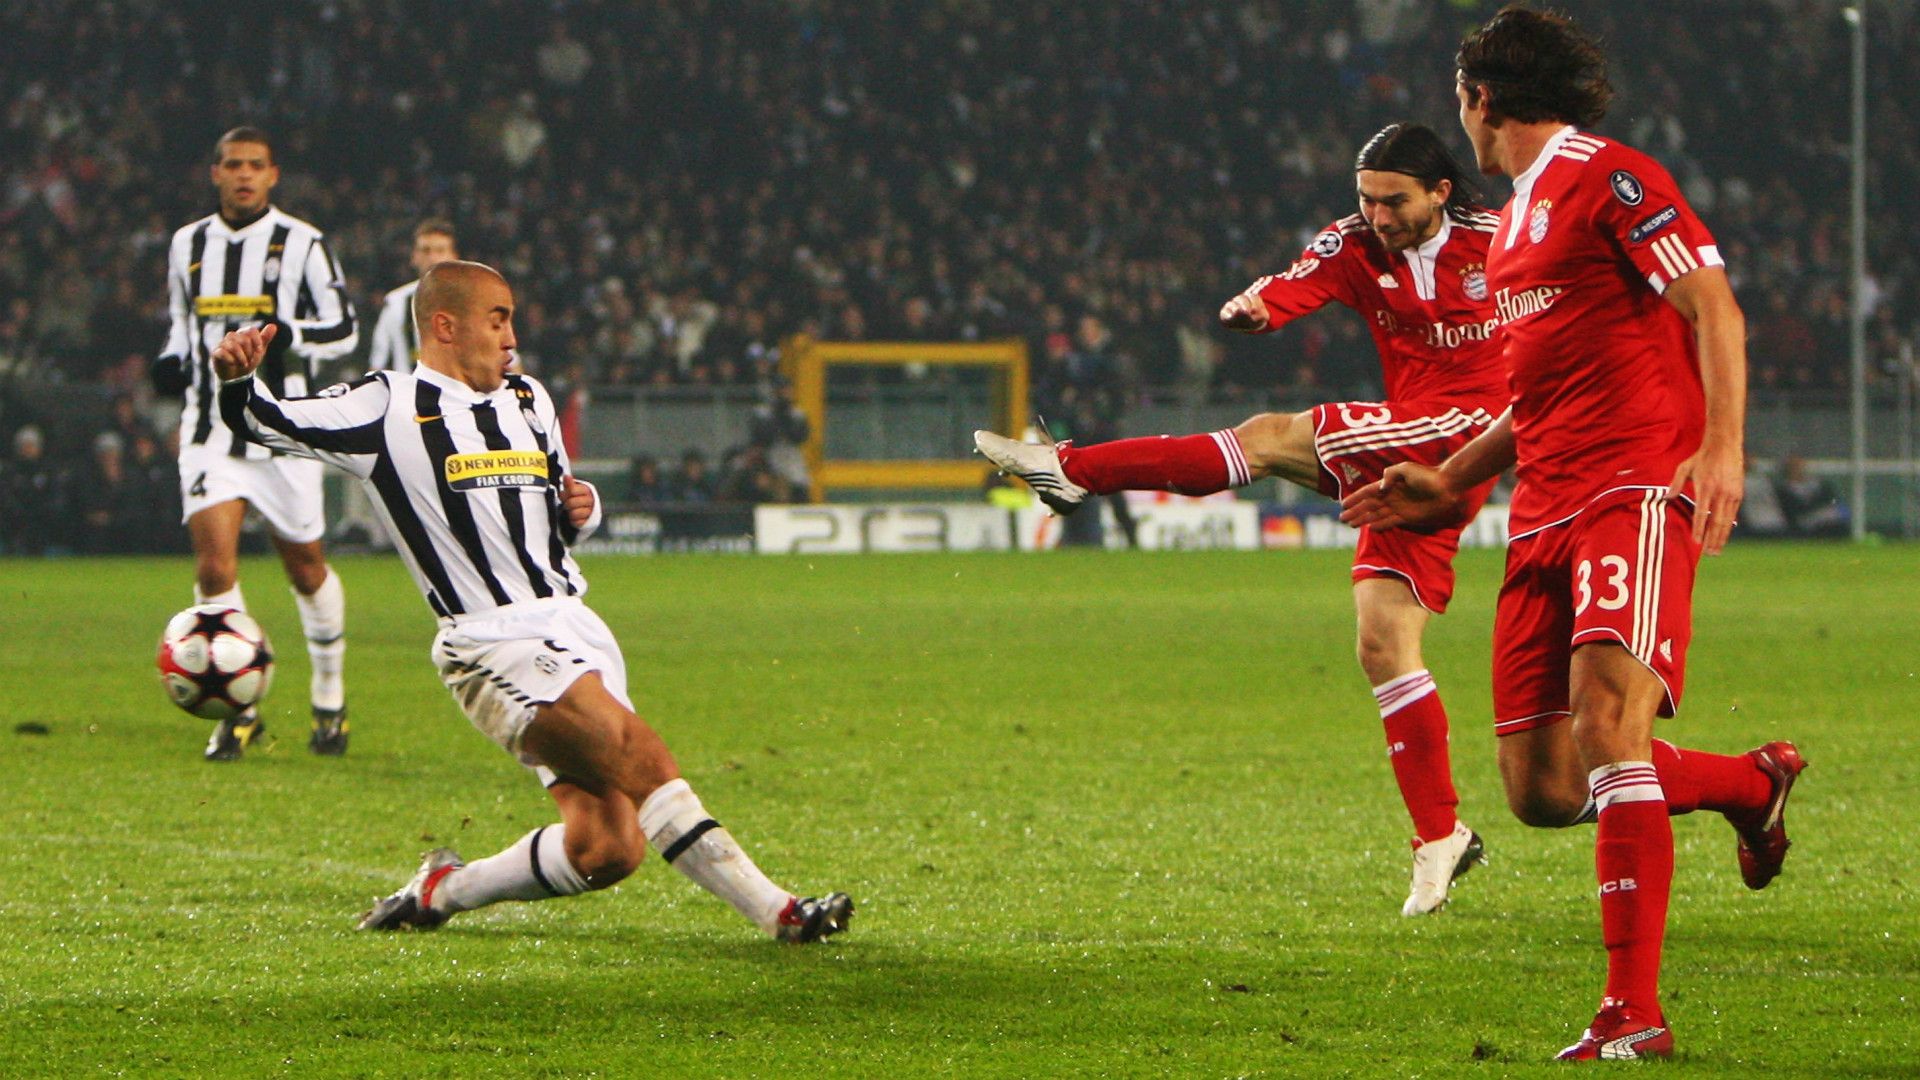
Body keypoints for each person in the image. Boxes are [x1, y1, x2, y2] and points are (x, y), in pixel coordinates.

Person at [1340, 7, 1805, 1060]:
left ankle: (1632, 1012)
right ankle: (1751, 783)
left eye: (1460, 98)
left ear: (1480, 98)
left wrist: (1722, 448)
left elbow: (1715, 309)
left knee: (1607, 726)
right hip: (1541, 511)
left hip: (1631, 488)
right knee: (1545, 789)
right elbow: (1535, 395)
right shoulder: (1512, 224)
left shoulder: (1612, 177)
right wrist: (1448, 480)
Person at [211, 260, 852, 943]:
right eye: (498, 320)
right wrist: (239, 379)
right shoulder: (385, 406)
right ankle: (782, 912)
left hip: (575, 627)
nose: (512, 336)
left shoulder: (528, 400)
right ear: (446, 326)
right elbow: (265, 421)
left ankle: (443, 889)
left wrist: (585, 509)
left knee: (607, 849)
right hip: (491, 643)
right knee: (638, 751)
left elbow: (554, 513)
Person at [976, 123, 1508, 916]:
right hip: (1409, 453)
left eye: (1394, 201)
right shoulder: (1355, 242)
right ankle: (1442, 835)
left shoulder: (1502, 242)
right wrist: (1259, 307)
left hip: (1474, 428)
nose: (1378, 216)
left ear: (1440, 191)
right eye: (1366, 199)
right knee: (1383, 644)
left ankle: (1072, 470)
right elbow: (1295, 282)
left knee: (1266, 439)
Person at [150, 126, 359, 761]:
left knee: (306, 569)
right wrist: (171, 361)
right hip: (209, 429)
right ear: (215, 173)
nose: (244, 174)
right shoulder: (188, 243)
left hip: (282, 429)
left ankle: (329, 698)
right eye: (234, 164)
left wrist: (288, 336)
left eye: (255, 165)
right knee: (214, 568)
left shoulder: (302, 242)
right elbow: (183, 324)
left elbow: (345, 328)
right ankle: (238, 709)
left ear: (273, 175)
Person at [366, 220, 460, 374]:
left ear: (454, 257)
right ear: (414, 257)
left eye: (440, 251)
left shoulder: (474, 301)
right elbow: (378, 362)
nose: (433, 258)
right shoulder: (396, 302)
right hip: (408, 387)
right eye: (426, 251)